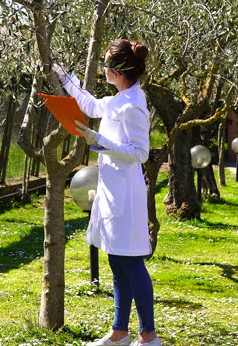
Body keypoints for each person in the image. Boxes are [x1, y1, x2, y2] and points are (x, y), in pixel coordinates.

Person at [52, 39, 160, 346]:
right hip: (112, 189)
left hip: (126, 193)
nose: (103, 69)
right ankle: (119, 333)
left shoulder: (133, 105)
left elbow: (140, 153)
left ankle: (149, 336)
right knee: (116, 260)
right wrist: (64, 75)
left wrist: (98, 139)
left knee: (131, 262)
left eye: (107, 65)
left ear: (119, 71)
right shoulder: (118, 98)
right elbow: (89, 105)